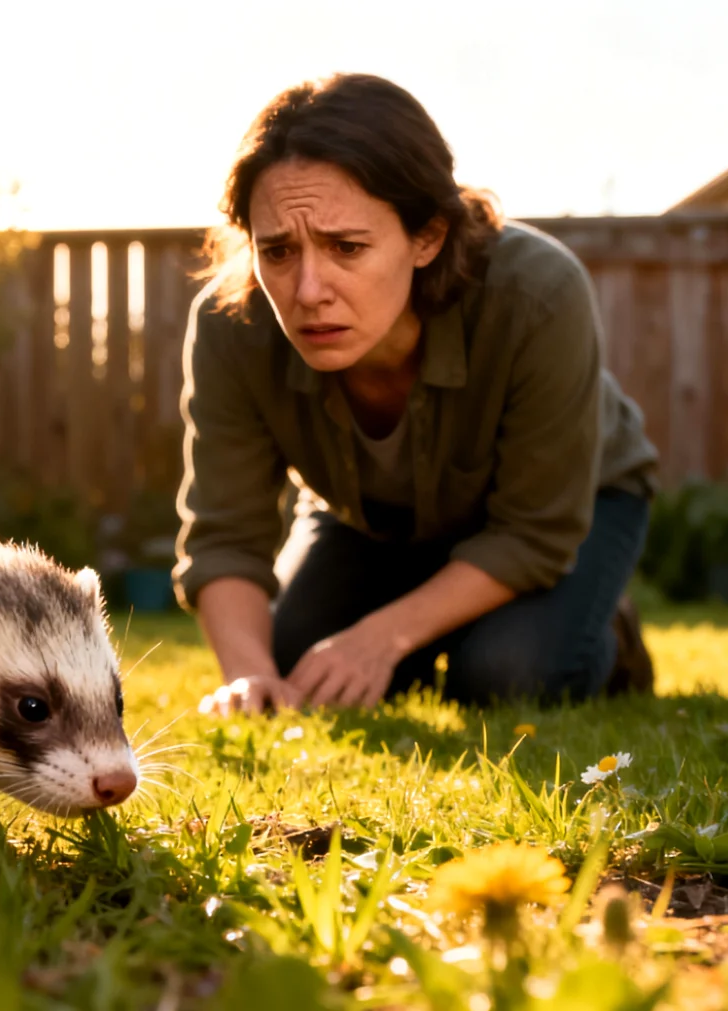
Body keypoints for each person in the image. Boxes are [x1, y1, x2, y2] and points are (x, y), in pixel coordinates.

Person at [175, 73, 661, 716]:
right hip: (368, 518)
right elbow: (225, 537)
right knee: (298, 661)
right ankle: (460, 622)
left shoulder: (539, 291)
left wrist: (381, 639)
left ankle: (597, 625)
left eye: (346, 247)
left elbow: (535, 530)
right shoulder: (230, 324)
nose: (308, 289)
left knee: (502, 675)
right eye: (279, 250)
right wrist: (250, 674)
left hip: (570, 508)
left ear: (427, 236)